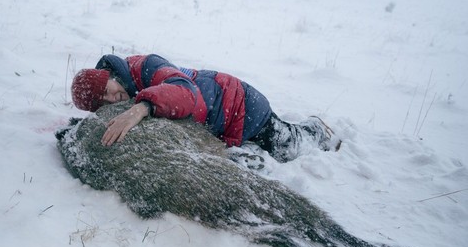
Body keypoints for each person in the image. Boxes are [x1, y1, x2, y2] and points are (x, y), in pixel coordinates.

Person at [70, 53, 340, 163]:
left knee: (287, 148)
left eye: (107, 90)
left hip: (239, 105)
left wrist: (141, 108)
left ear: (108, 75)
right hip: (221, 123)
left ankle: (314, 130)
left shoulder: (147, 65)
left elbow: (187, 95)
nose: (112, 99)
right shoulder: (127, 87)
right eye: (102, 102)